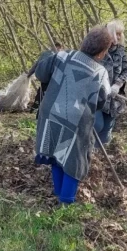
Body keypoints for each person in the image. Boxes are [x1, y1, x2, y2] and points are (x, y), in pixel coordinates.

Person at [34, 26, 113, 205]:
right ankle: (66, 200)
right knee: (73, 158)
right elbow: (102, 101)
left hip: (51, 112)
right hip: (76, 121)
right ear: (102, 52)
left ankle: (59, 193)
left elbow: (41, 73)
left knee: (55, 152)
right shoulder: (100, 73)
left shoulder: (63, 55)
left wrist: (48, 57)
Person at [96, 20, 127, 145]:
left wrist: (117, 84)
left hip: (114, 100)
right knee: (97, 125)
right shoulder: (97, 49)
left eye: (120, 34)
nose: (118, 37)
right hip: (96, 98)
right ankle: (89, 153)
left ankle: (100, 158)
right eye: (116, 33)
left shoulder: (121, 51)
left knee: (106, 133)